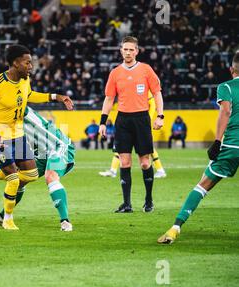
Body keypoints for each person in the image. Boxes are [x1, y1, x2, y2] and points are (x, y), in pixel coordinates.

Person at [0, 44, 73, 230]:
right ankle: (8, 219)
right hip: (0, 138)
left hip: (18, 136)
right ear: (15, 63)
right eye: (27, 62)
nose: (31, 66)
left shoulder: (24, 80)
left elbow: (29, 95)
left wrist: (56, 97)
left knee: (31, 175)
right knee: (13, 178)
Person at [158, 52, 239, 244]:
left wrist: (217, 141)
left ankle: (175, 228)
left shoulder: (226, 87)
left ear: (231, 69)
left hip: (232, 145)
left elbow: (226, 111)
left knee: (202, 186)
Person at [0, 106, 75, 231]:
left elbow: (20, 95)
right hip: (40, 153)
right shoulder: (3, 128)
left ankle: (65, 221)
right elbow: (5, 150)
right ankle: (2, 216)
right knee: (19, 180)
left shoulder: (18, 108)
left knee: (51, 176)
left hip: (58, 145)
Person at [99, 36, 164, 213]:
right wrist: (103, 122)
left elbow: (157, 93)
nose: (127, 52)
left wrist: (160, 116)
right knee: (124, 162)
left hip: (142, 119)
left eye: (131, 49)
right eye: (125, 49)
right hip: (123, 121)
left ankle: (148, 200)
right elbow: (109, 98)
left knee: (144, 163)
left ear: (136, 51)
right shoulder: (115, 73)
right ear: (121, 50)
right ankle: (127, 204)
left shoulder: (146, 69)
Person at [99, 91, 167, 178]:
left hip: (141, 121)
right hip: (131, 120)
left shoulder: (143, 84)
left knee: (147, 148)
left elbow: (152, 102)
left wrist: (147, 119)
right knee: (122, 147)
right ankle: (113, 170)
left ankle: (160, 170)